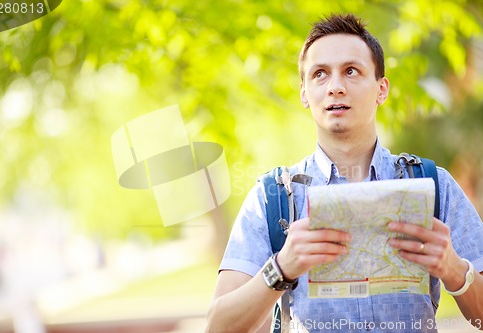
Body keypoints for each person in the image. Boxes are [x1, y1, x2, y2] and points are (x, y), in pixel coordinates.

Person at [205, 13, 483, 333]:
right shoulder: (273, 198)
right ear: (305, 94)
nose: (335, 87)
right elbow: (218, 327)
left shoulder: (435, 186)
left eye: (351, 71)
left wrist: (454, 270)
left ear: (381, 89)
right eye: (320, 74)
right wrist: (281, 269)